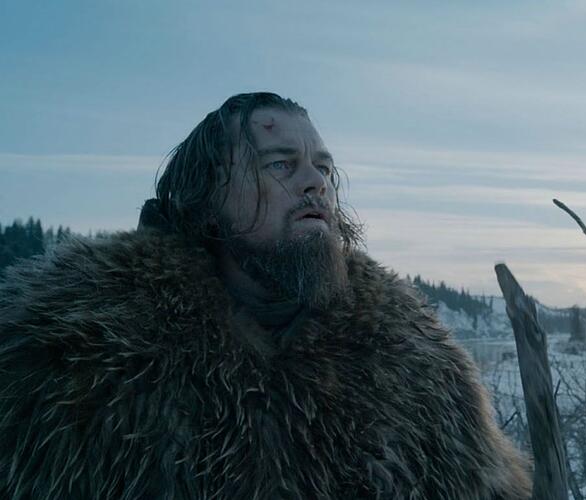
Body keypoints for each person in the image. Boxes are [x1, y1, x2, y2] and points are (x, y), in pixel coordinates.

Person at [0, 92, 531, 499]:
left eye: (324, 169)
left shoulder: (418, 363)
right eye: (280, 164)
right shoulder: (69, 353)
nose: (316, 184)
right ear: (207, 194)